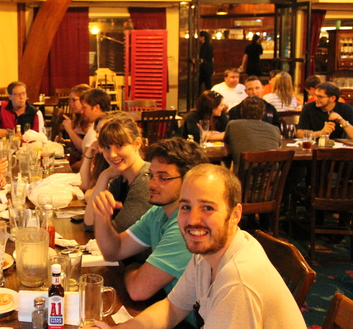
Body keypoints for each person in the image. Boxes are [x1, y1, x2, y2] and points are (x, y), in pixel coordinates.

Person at [90, 164, 306, 329]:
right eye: (186, 207)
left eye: (208, 208)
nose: (193, 220)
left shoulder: (237, 282)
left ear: (235, 214)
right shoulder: (207, 254)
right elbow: (171, 309)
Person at [92, 138, 208, 302]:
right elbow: (113, 251)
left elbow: (138, 290)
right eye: (151, 175)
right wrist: (102, 216)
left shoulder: (187, 226)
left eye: (163, 178)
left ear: (189, 181)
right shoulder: (158, 212)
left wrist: (132, 266)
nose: (151, 184)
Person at [84, 116, 151, 233]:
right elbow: (90, 223)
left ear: (137, 144)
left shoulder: (145, 181)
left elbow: (116, 232)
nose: (112, 155)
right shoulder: (121, 179)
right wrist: (104, 176)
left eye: (119, 145)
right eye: (107, 147)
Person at [224, 96, 281, 171]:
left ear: (241, 111)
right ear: (263, 113)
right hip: (272, 177)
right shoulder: (275, 129)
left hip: (243, 176)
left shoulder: (232, 125)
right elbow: (278, 149)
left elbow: (228, 151)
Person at [60, 83, 92, 154]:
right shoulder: (79, 118)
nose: (71, 104)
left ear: (84, 100)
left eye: (74, 100)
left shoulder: (91, 121)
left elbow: (85, 150)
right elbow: (78, 143)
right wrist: (65, 142)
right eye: (70, 100)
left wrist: (70, 130)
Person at [80, 88, 112, 152]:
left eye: (84, 107)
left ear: (96, 108)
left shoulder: (97, 130)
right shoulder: (95, 126)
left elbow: (88, 157)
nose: (82, 111)